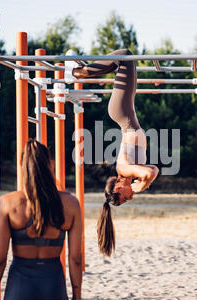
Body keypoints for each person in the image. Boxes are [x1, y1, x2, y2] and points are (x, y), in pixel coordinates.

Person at [65, 49, 159, 257]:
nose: (129, 198)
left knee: (125, 55)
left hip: (121, 112)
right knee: (127, 60)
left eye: (124, 198)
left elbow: (150, 174)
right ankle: (79, 70)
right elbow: (153, 169)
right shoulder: (132, 175)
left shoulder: (123, 168)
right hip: (126, 113)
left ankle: (77, 72)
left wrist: (142, 185)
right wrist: (143, 183)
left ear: (118, 187)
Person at [0, 139, 82, 300]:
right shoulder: (71, 204)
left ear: (22, 166)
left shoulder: (8, 203)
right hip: (53, 285)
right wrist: (77, 296)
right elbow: (75, 259)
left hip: (19, 285)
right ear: (50, 165)